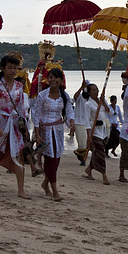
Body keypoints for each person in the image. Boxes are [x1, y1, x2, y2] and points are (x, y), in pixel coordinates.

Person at [0, 56, 30, 198]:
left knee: (18, 154)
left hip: (15, 123)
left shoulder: (19, 86)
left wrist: (25, 127)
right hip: (0, 122)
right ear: (2, 68)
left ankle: (21, 190)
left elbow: (21, 107)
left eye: (15, 68)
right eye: (10, 67)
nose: (13, 70)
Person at [34, 68, 75, 201]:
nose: (53, 80)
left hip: (58, 130)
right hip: (45, 130)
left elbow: (69, 111)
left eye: (56, 77)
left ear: (61, 80)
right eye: (50, 77)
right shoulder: (42, 95)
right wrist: (37, 135)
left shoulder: (65, 95)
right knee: (50, 159)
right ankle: (55, 190)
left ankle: (45, 183)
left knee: (57, 158)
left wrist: (72, 123)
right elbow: (36, 115)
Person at [83, 83, 111, 185]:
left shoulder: (101, 101)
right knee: (101, 152)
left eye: (97, 89)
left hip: (104, 130)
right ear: (89, 92)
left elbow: (109, 112)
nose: (96, 91)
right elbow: (86, 120)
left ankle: (89, 169)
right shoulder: (88, 104)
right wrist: (88, 136)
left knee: (96, 152)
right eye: (93, 90)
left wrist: (103, 102)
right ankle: (104, 175)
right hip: (95, 131)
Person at [73, 79, 89, 166]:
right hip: (79, 122)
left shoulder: (91, 99)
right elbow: (75, 97)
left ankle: (82, 156)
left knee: (86, 143)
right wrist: (81, 87)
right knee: (82, 143)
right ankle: (82, 159)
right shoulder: (80, 97)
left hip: (87, 123)